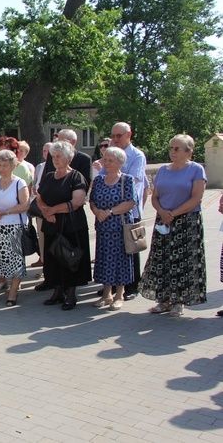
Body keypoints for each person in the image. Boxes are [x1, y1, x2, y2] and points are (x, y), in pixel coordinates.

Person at [139, 135, 207, 318]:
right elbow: (155, 196)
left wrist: (173, 213)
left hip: (186, 221)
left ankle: (179, 302)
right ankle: (164, 300)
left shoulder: (196, 170)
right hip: (164, 220)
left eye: (177, 149)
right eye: (171, 148)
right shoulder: (163, 170)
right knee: (162, 260)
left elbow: (196, 198)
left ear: (189, 152)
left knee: (183, 262)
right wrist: (162, 212)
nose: (173, 152)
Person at [36, 141, 91, 310]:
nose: (55, 159)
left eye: (59, 156)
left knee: (70, 259)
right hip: (51, 225)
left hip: (71, 226)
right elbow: (39, 196)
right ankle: (57, 291)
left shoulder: (76, 177)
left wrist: (52, 211)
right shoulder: (48, 176)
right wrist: (46, 212)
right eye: (53, 156)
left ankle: (71, 294)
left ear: (69, 158)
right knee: (53, 260)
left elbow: (77, 202)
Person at [0, 150, 30, 306]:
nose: (1, 169)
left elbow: (25, 205)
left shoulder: (19, 183)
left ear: (13, 165)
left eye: (5, 165)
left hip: (14, 227)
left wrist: (6, 212)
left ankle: (13, 293)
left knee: (15, 261)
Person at [105, 122, 147, 300]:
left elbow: (134, 180)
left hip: (129, 210)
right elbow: (101, 178)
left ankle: (132, 286)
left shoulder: (137, 156)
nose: (115, 139)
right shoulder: (109, 154)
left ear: (129, 135)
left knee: (130, 248)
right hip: (109, 210)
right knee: (112, 249)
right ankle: (112, 285)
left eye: (119, 136)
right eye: (113, 136)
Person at [89, 147, 135, 311]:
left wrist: (109, 212)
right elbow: (92, 200)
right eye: (105, 160)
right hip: (102, 227)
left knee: (119, 260)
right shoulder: (100, 180)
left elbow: (130, 202)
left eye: (111, 160)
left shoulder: (126, 180)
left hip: (119, 227)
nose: (106, 163)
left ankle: (119, 295)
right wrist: (96, 212)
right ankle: (106, 294)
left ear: (120, 163)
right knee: (104, 260)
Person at [31, 142, 53, 268]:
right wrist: (35, 189)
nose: (46, 153)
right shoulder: (40, 166)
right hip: (39, 205)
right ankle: (42, 258)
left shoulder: (55, 167)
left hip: (51, 206)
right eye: (44, 151)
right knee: (41, 233)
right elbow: (35, 183)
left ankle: (49, 262)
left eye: (48, 151)